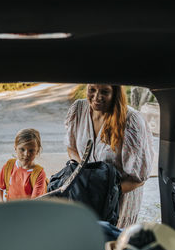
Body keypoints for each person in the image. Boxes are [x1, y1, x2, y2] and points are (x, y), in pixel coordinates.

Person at [65, 84, 154, 229]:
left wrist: (105, 192)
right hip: (86, 194)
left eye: (105, 92)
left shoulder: (131, 120)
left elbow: (139, 179)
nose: (96, 97)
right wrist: (86, 176)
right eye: (92, 89)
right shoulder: (79, 109)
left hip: (118, 201)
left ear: (116, 93)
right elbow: (72, 147)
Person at [0, 128, 47, 202]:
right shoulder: (9, 166)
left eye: (31, 150)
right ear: (15, 147)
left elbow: (34, 203)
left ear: (37, 150)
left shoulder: (39, 174)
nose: (26, 154)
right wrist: (1, 204)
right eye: (22, 149)